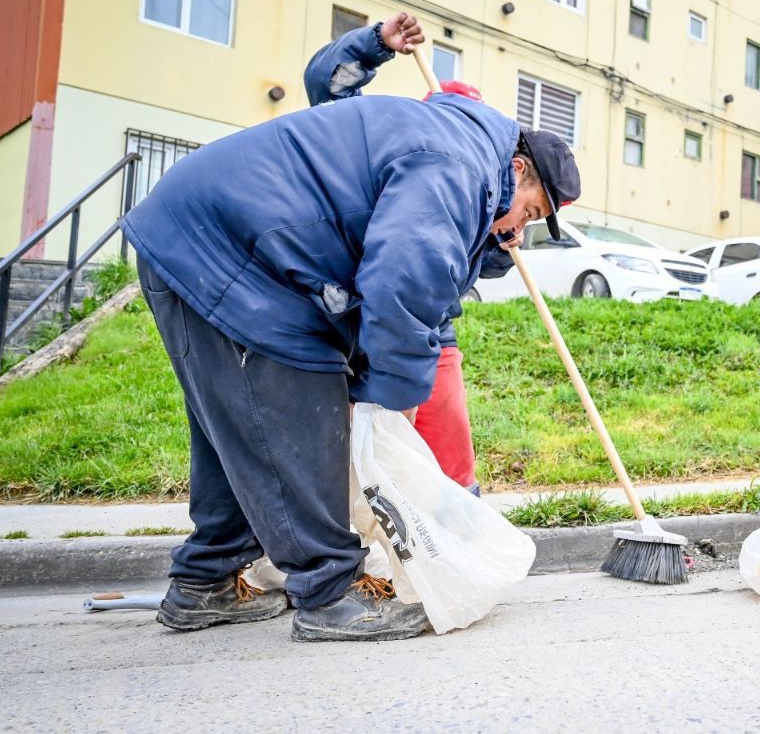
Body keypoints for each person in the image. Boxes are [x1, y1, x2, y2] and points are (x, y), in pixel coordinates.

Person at [122, 38, 582, 640]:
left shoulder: (459, 149)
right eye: (530, 211)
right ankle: (329, 593)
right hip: (232, 251)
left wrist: (490, 246)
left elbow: (434, 260)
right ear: (517, 170)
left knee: (241, 427)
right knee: (300, 418)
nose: (521, 225)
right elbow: (402, 280)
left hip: (210, 241)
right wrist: (391, 400)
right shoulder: (457, 165)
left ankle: (205, 582)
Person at [302, 12, 515, 496]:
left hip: (433, 333)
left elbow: (470, 267)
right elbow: (326, 88)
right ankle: (358, 528)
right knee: (357, 458)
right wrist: (374, 42)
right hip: (352, 324)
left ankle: (455, 528)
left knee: (452, 466)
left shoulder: (485, 184)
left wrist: (500, 241)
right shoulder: (390, 143)